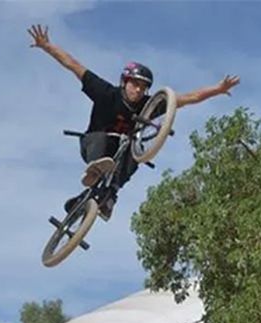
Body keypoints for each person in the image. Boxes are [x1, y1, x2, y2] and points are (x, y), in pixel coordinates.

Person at [28, 24, 240, 221]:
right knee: (105, 138)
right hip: (94, 145)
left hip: (119, 153)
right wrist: (47, 46)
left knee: (134, 156)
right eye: (134, 85)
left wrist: (218, 90)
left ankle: (107, 197)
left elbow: (187, 98)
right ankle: (95, 170)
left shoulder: (148, 105)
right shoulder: (107, 93)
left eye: (143, 87)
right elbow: (74, 65)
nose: (138, 91)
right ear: (125, 82)